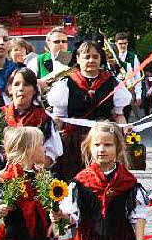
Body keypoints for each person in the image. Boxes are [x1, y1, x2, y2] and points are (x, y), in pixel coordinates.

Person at [47, 40, 131, 183]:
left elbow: (118, 114)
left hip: (104, 140)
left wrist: (125, 132)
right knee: (74, 180)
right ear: (78, 59)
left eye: (95, 56)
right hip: (74, 143)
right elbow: (59, 118)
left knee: (105, 180)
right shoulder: (65, 84)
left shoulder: (112, 82)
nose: (91, 60)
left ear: (101, 59)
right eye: (86, 56)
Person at [4, 68, 63, 165]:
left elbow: (53, 153)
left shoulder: (44, 118)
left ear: (35, 90)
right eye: (16, 84)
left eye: (26, 85)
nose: (21, 88)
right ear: (10, 89)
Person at [25, 27, 71, 94]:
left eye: (64, 41)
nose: (61, 44)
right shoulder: (37, 61)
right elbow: (27, 82)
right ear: (49, 44)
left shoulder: (75, 59)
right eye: (57, 41)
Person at [111, 33, 144, 118]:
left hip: (128, 92)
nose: (123, 46)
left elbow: (137, 76)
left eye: (125, 43)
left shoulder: (133, 57)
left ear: (127, 43)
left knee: (126, 117)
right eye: (120, 43)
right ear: (116, 44)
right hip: (115, 92)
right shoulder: (111, 57)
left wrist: (138, 95)